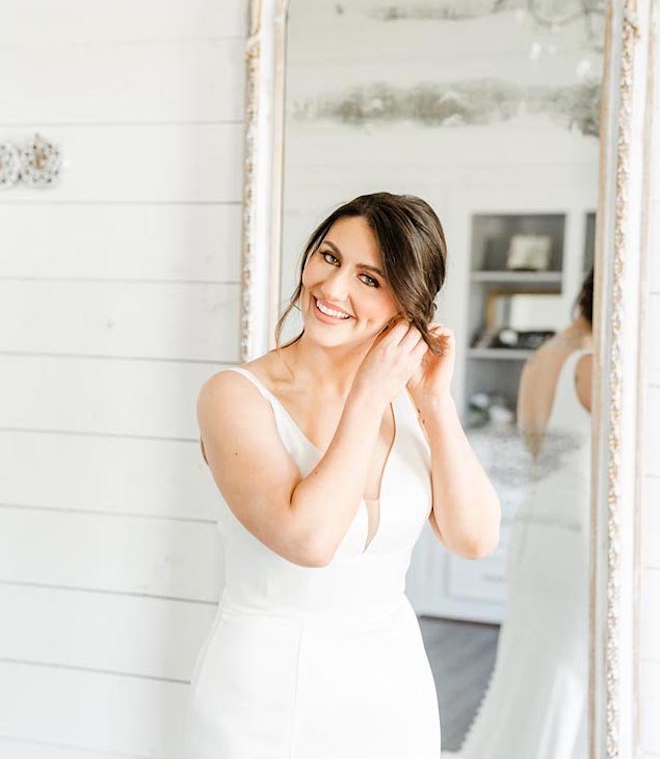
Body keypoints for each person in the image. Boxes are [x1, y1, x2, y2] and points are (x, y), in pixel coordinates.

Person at [184, 191, 501, 759]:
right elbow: (308, 540)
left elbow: (473, 538)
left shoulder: (410, 402)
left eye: (369, 279)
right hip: (263, 698)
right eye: (328, 258)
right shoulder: (235, 397)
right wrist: (367, 397)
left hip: (391, 693)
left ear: (408, 304)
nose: (332, 289)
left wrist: (434, 403)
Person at [450, 267, 594, 759]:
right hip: (578, 532)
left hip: (539, 526)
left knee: (530, 662)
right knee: (569, 667)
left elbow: (537, 448)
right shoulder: (595, 362)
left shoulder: (543, 356)